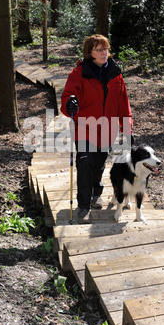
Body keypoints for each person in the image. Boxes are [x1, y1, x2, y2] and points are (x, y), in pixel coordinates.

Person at [61, 34, 133, 224]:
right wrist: (70, 104)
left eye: (106, 49)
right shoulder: (79, 73)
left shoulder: (116, 74)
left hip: (108, 129)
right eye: (99, 50)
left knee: (99, 163)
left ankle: (95, 193)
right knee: (85, 163)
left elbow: (123, 104)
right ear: (90, 53)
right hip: (85, 127)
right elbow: (67, 97)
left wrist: (127, 129)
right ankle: (83, 206)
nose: (104, 53)